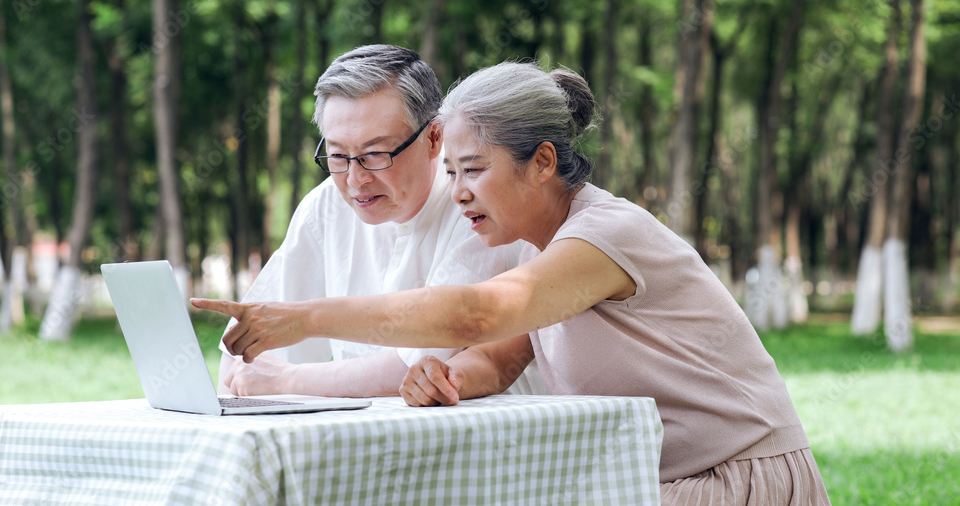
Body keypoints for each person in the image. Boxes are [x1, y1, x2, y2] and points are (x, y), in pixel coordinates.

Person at [194, 61, 830, 504]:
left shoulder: (604, 235)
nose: (458, 191)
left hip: (729, 482)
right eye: (451, 170)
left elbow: (475, 317)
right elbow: (497, 357)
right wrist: (448, 379)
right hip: (648, 481)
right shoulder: (538, 247)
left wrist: (306, 318)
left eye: (473, 169)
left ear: (543, 162)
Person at [214, 45, 546, 398]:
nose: (355, 179)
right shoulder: (327, 204)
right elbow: (250, 348)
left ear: (435, 138)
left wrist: (287, 380)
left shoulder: (477, 206)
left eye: (375, 154)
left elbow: (419, 365)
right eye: (339, 155)